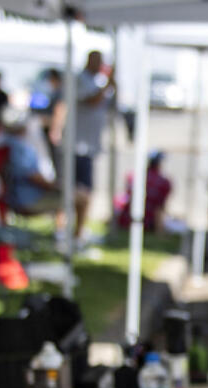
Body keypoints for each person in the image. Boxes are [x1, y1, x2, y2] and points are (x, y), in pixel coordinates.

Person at [73, 50, 115, 246]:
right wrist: (108, 83)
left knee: (84, 191)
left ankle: (79, 231)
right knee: (79, 191)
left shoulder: (96, 81)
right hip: (78, 145)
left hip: (88, 145)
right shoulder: (81, 79)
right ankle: (73, 232)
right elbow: (92, 100)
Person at [0, 108, 60, 216]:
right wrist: (56, 187)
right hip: (26, 200)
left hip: (19, 198)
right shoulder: (18, 147)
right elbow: (32, 176)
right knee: (80, 197)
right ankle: (69, 232)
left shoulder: (5, 143)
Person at [116, 150, 172, 232]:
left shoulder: (133, 176)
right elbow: (160, 208)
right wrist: (160, 232)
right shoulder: (164, 182)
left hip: (126, 221)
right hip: (147, 224)